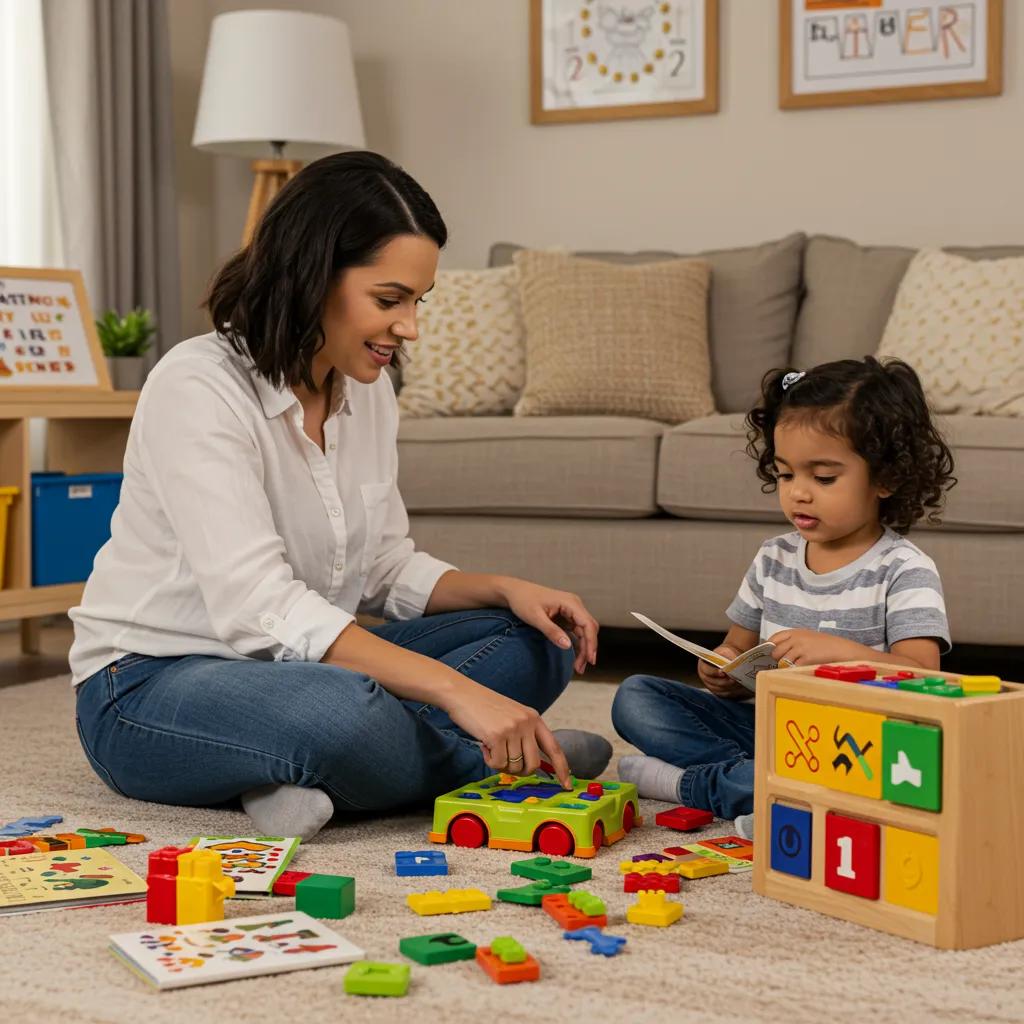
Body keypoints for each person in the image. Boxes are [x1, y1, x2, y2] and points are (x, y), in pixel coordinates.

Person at [71, 151, 611, 841]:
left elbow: (383, 568)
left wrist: (505, 589)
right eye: (390, 300)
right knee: (343, 711)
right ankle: (485, 767)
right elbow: (258, 605)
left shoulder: (368, 389)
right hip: (147, 688)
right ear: (312, 276)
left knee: (542, 639)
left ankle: (290, 781)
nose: (410, 326)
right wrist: (457, 691)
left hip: (295, 671)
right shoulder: (196, 386)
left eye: (418, 301)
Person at [611, 357, 956, 836]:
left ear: (886, 478)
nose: (799, 494)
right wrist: (723, 667)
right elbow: (737, 645)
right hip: (770, 732)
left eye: (824, 477)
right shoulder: (773, 557)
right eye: (787, 474)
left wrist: (841, 654)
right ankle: (761, 785)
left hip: (856, 748)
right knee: (636, 697)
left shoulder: (903, 569)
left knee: (881, 781)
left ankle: (696, 786)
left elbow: (924, 676)